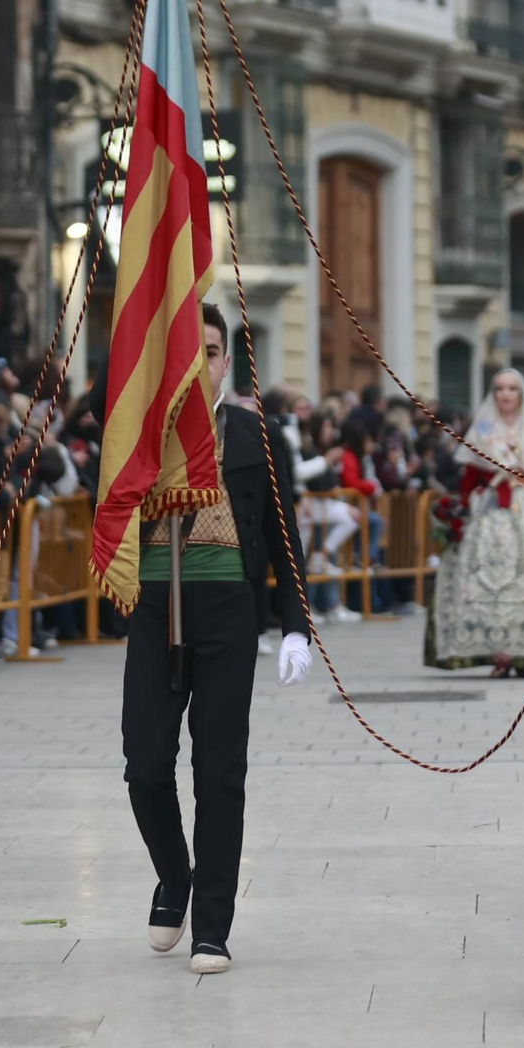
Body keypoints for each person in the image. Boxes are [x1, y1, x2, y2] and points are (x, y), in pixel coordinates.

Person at [122, 303, 311, 976]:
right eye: (183, 352)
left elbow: (286, 534)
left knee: (218, 772)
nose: (197, 364)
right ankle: (175, 874)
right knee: (144, 766)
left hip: (229, 614)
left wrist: (295, 624)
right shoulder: (138, 429)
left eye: (208, 351)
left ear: (226, 360)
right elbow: (95, 399)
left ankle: (213, 924)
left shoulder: (255, 433)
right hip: (153, 612)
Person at [427, 369, 524, 676]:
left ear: (521, 395)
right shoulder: (482, 427)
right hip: (489, 509)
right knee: (485, 579)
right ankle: (498, 653)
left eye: (512, 389)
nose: (506, 394)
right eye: (500, 389)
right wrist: (461, 514)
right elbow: (469, 478)